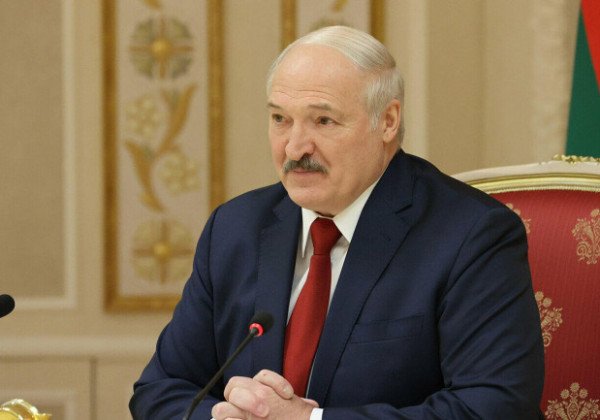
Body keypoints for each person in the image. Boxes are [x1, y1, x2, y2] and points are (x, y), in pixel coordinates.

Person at [129, 25, 545, 419]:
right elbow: (161, 389)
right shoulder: (235, 228)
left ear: (387, 121)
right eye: (280, 119)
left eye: (323, 121)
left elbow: (493, 407)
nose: (295, 147)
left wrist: (309, 419)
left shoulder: (471, 235)